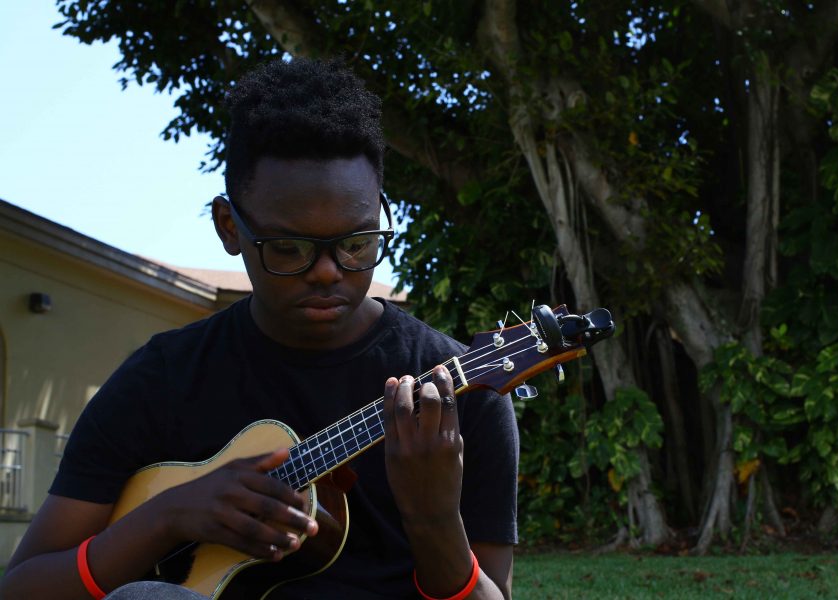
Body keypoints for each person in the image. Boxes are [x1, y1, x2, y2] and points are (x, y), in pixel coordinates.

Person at [0, 57, 518, 599]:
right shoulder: (162, 378)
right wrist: (168, 515)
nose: (327, 271)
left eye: (357, 243)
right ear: (230, 226)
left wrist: (434, 518)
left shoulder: (461, 393)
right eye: (289, 248)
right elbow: (23, 588)